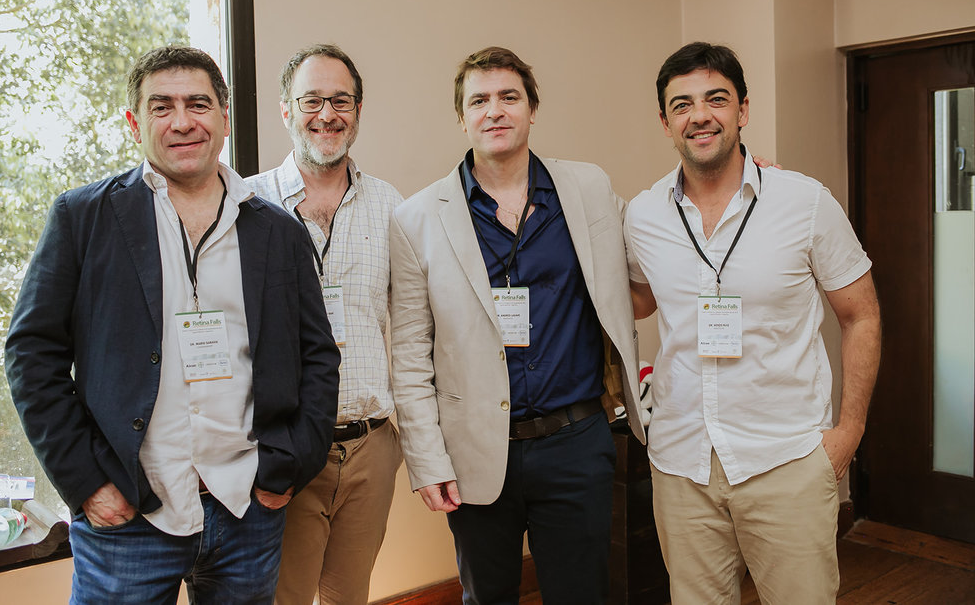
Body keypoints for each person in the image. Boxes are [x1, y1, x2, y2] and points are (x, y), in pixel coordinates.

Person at [5, 46, 341, 604]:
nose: (182, 122)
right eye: (161, 107)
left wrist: (287, 468)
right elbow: (31, 355)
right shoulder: (82, 218)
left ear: (225, 118)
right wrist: (86, 482)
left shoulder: (278, 231)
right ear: (135, 122)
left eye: (198, 105)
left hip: (247, 510)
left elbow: (318, 357)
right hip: (129, 515)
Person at [624, 42, 881, 604]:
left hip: (785, 460)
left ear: (742, 109)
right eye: (682, 104)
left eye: (716, 99)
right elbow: (639, 300)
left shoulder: (804, 202)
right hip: (682, 465)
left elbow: (860, 314)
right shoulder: (642, 216)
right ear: (665, 122)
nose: (700, 116)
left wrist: (849, 432)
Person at [388, 46, 646, 604]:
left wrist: (728, 182)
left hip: (576, 441)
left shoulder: (589, 189)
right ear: (462, 117)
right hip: (475, 450)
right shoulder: (416, 219)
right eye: (478, 100)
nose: (495, 110)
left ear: (532, 109)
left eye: (509, 97)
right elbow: (409, 356)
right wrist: (427, 460)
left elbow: (655, 242)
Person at [246, 44, 403, 605]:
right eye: (311, 100)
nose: (327, 114)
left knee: (349, 596)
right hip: (285, 448)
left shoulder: (390, 205)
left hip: (370, 447)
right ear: (286, 110)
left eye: (341, 100)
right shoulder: (248, 205)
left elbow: (413, 328)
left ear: (358, 110)